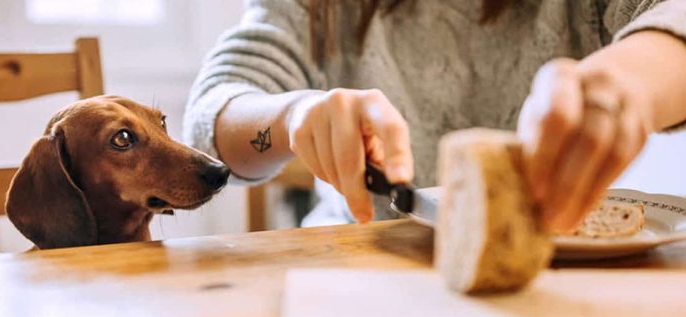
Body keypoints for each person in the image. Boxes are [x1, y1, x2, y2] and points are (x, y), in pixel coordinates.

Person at [183, 0, 686, 232]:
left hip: (559, 273)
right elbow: (211, 118)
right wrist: (294, 114)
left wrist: (630, 82)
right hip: (361, 271)